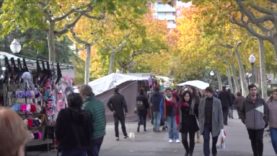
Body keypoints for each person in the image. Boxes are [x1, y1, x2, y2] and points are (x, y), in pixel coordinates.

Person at [239, 84, 268, 156]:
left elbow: (266, 111)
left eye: (255, 90)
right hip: (250, 126)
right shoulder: (245, 101)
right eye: (252, 90)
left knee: (259, 140)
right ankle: (255, 153)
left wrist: (265, 121)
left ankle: (260, 154)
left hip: (260, 125)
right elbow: (241, 112)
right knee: (253, 141)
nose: (254, 91)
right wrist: (244, 120)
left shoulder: (261, 101)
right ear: (249, 91)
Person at [80, 85, 106, 156]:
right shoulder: (100, 102)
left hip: (93, 135)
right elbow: (103, 118)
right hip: (101, 133)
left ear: (83, 94)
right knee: (95, 153)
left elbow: (85, 123)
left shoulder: (85, 106)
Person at [198, 87, 223, 156]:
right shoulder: (202, 101)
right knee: (206, 139)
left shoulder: (217, 101)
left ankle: (214, 151)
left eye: (208, 92)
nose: (207, 94)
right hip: (205, 124)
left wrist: (221, 126)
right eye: (206, 92)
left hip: (215, 124)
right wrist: (200, 122)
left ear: (211, 93)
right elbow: (200, 112)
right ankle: (206, 154)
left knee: (215, 139)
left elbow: (220, 113)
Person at [179, 91, 199, 156]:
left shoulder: (193, 104)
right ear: (183, 97)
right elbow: (178, 113)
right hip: (183, 123)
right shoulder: (181, 104)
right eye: (185, 96)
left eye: (188, 96)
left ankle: (191, 152)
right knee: (184, 139)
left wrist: (201, 121)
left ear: (190, 97)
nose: (186, 97)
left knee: (191, 139)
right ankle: (187, 150)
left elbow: (197, 113)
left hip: (192, 123)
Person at [267, 89, 277, 155]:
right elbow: (264, 112)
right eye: (275, 94)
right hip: (272, 126)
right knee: (274, 141)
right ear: (272, 95)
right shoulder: (268, 103)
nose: (276, 95)